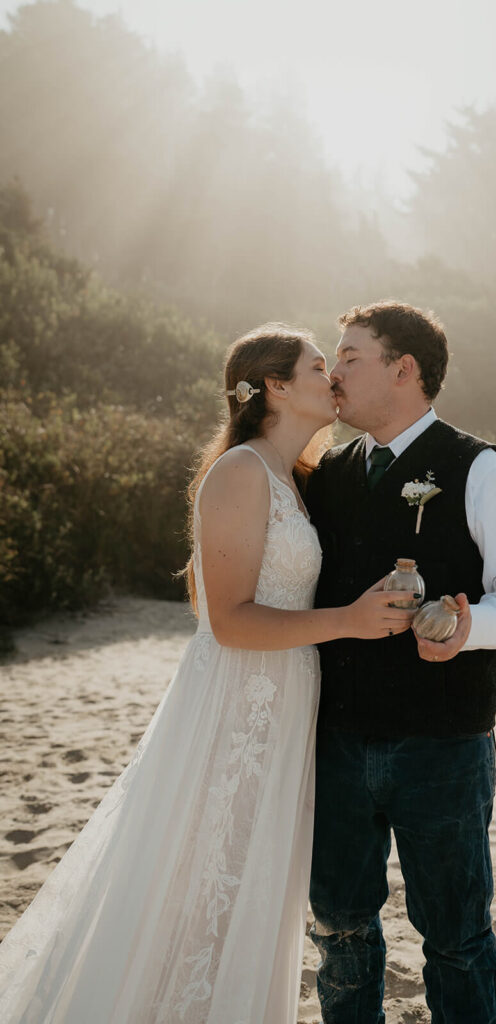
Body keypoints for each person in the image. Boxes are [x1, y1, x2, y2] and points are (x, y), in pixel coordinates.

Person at [0, 323, 414, 1024]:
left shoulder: (294, 476)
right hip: (234, 709)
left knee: (250, 890)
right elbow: (228, 620)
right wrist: (347, 620)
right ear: (276, 386)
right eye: (321, 366)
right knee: (201, 884)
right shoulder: (239, 472)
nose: (334, 378)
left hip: (284, 707)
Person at [305, 301, 496, 1024]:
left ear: (404, 368)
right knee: (340, 932)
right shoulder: (327, 472)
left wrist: (469, 625)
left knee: (454, 938)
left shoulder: (473, 465)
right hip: (334, 743)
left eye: (351, 356)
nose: (334, 371)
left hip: (443, 745)